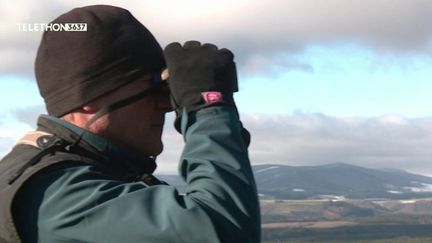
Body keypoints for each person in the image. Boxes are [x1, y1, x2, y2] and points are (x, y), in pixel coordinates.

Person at [0, 4, 260, 243]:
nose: (167, 105)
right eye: (154, 91)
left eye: (169, 92)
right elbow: (222, 230)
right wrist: (207, 107)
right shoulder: (53, 194)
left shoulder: (77, 173)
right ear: (90, 98)